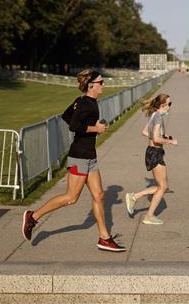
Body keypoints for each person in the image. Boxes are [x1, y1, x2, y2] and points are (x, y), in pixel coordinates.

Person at [21, 69, 126, 252]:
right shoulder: (86, 103)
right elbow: (74, 125)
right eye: (101, 82)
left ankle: (104, 238)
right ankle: (33, 216)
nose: (104, 85)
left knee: (99, 195)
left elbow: (66, 115)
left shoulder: (85, 102)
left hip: (90, 156)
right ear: (91, 85)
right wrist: (96, 129)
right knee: (71, 198)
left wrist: (92, 127)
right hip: (79, 157)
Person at [125, 93, 178, 225]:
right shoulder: (158, 117)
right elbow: (155, 138)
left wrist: (163, 137)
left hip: (153, 152)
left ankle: (135, 197)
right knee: (163, 186)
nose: (170, 106)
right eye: (169, 104)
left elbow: (144, 132)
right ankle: (147, 213)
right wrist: (170, 142)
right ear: (163, 105)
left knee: (163, 186)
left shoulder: (154, 115)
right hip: (155, 153)